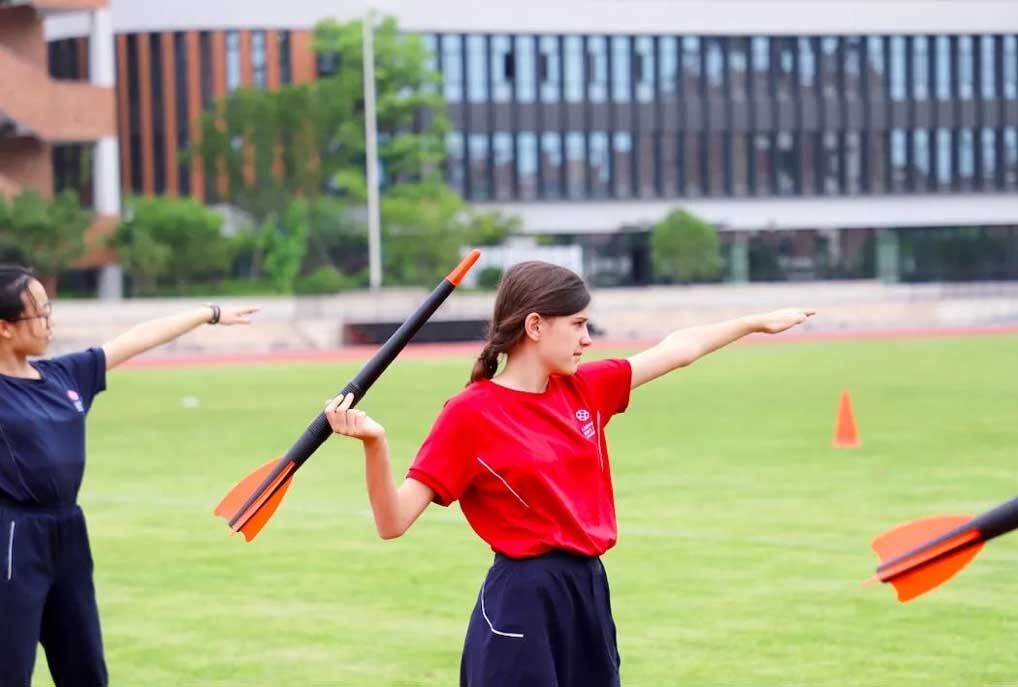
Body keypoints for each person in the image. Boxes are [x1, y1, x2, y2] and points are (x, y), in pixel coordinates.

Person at [324, 261, 814, 686]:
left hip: (587, 592)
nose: (587, 338)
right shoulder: (470, 414)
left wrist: (752, 323)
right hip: (522, 602)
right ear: (535, 326)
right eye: (578, 324)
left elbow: (676, 349)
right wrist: (375, 444)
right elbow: (392, 522)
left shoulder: (586, 389)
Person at [0, 265, 257, 687]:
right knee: (9, 670)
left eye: (50, 310)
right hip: (14, 537)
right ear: (6, 328)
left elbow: (136, 339)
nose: (50, 323)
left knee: (84, 666)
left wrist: (207, 313)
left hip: (68, 532)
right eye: (39, 315)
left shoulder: (65, 375)